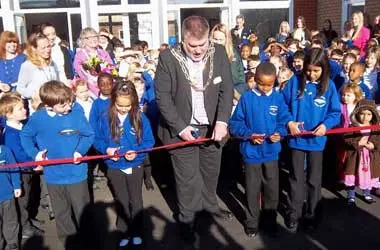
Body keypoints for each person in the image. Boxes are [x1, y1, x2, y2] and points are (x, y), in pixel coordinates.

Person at [154, 15, 234, 245]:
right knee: (187, 179)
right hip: (181, 127)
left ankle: (209, 207)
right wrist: (180, 127)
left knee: (210, 172)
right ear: (183, 39)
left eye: (203, 44)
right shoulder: (168, 57)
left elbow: (226, 90)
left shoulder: (217, 52)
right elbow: (163, 97)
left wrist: (222, 121)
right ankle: (187, 220)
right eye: (193, 45)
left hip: (212, 127)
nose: (199, 50)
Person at [20, 81, 94, 249]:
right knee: (62, 214)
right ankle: (70, 244)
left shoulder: (75, 114)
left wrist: (80, 151)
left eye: (69, 102)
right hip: (54, 177)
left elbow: (89, 135)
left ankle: (90, 243)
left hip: (77, 174)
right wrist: (36, 154)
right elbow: (25, 136)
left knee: (83, 212)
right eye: (62, 105)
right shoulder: (38, 119)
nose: (68, 107)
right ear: (48, 105)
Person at [230, 62, 292, 237]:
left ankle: (269, 220)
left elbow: (284, 120)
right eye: (261, 83)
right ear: (255, 79)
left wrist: (279, 133)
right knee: (252, 189)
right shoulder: (247, 98)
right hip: (251, 153)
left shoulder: (278, 98)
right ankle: (251, 222)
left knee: (272, 189)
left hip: (271, 153)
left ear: (275, 81)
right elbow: (235, 125)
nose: (265, 88)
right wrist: (249, 135)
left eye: (269, 84)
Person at [282, 48, 341, 232]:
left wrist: (325, 126)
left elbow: (335, 113)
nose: (312, 74)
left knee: (314, 180)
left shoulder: (329, 86)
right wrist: (289, 122)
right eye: (309, 70)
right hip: (296, 140)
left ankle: (312, 214)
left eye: (316, 70)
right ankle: (294, 213)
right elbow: (282, 105)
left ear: (324, 69)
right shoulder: (294, 81)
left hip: (317, 141)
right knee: (296, 178)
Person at [94, 80, 155, 248]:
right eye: (119, 105)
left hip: (135, 165)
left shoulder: (140, 117)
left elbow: (149, 141)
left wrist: (137, 151)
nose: (123, 109)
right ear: (113, 100)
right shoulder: (104, 117)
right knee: (121, 199)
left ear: (133, 102)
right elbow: (97, 139)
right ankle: (124, 230)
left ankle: (137, 230)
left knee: (135, 199)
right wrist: (106, 149)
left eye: (127, 106)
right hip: (114, 166)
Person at [0, 93, 44, 239]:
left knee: (29, 197)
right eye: (20, 109)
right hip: (21, 171)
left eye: (24, 107)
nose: (25, 110)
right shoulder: (10, 135)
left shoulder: (22, 125)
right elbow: (18, 155)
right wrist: (34, 163)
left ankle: (28, 219)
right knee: (22, 200)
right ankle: (24, 227)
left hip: (28, 169)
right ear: (9, 114)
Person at [343, 99, 380, 204]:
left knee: (369, 176)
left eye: (368, 114)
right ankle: (351, 195)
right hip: (355, 157)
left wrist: (373, 145)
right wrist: (357, 143)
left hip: (370, 157)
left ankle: (367, 194)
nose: (365, 117)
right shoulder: (353, 127)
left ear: (373, 115)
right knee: (353, 175)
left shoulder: (375, 128)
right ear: (357, 113)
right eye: (362, 114)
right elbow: (346, 138)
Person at [17, 33, 59, 112]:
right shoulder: (28, 65)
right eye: (43, 48)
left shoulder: (52, 63)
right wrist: (33, 95)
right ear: (34, 48)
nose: (47, 50)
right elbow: (20, 88)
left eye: (48, 46)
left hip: (53, 105)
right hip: (38, 108)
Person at [73, 27, 113, 98]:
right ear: (83, 40)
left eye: (95, 36)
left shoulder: (103, 53)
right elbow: (81, 74)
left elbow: (111, 68)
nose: (94, 39)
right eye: (89, 37)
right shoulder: (80, 55)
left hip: (106, 86)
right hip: (90, 91)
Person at [211, 23, 246, 104]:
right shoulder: (207, 55)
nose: (218, 42)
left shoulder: (234, 54)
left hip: (234, 95)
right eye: (215, 39)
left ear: (226, 39)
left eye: (221, 40)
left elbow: (241, 79)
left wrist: (235, 93)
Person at [0, 144, 21, 250]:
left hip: (7, 193)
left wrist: (17, 185)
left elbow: (14, 168)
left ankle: (12, 242)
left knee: (11, 220)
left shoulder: (5, 150)